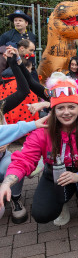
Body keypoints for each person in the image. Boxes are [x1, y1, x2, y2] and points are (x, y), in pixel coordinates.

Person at [0, 73, 78, 240]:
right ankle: (63, 202)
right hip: (56, 171)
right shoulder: (44, 128)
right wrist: (7, 182)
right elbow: (24, 159)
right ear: (53, 109)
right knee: (41, 214)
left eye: (71, 107)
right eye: (60, 108)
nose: (66, 112)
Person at [0, 47, 31, 223]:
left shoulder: (0, 105)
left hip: (2, 159)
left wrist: (13, 62)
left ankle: (16, 198)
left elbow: (23, 91)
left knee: (14, 161)